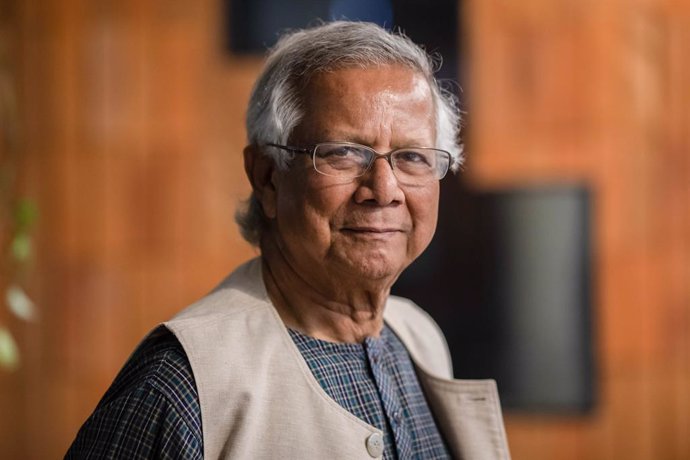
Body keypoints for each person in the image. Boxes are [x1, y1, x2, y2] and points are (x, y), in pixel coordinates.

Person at [66, 21, 510, 459]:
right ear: (267, 178)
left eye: (412, 157)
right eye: (344, 152)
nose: (385, 190)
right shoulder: (181, 383)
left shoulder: (418, 336)